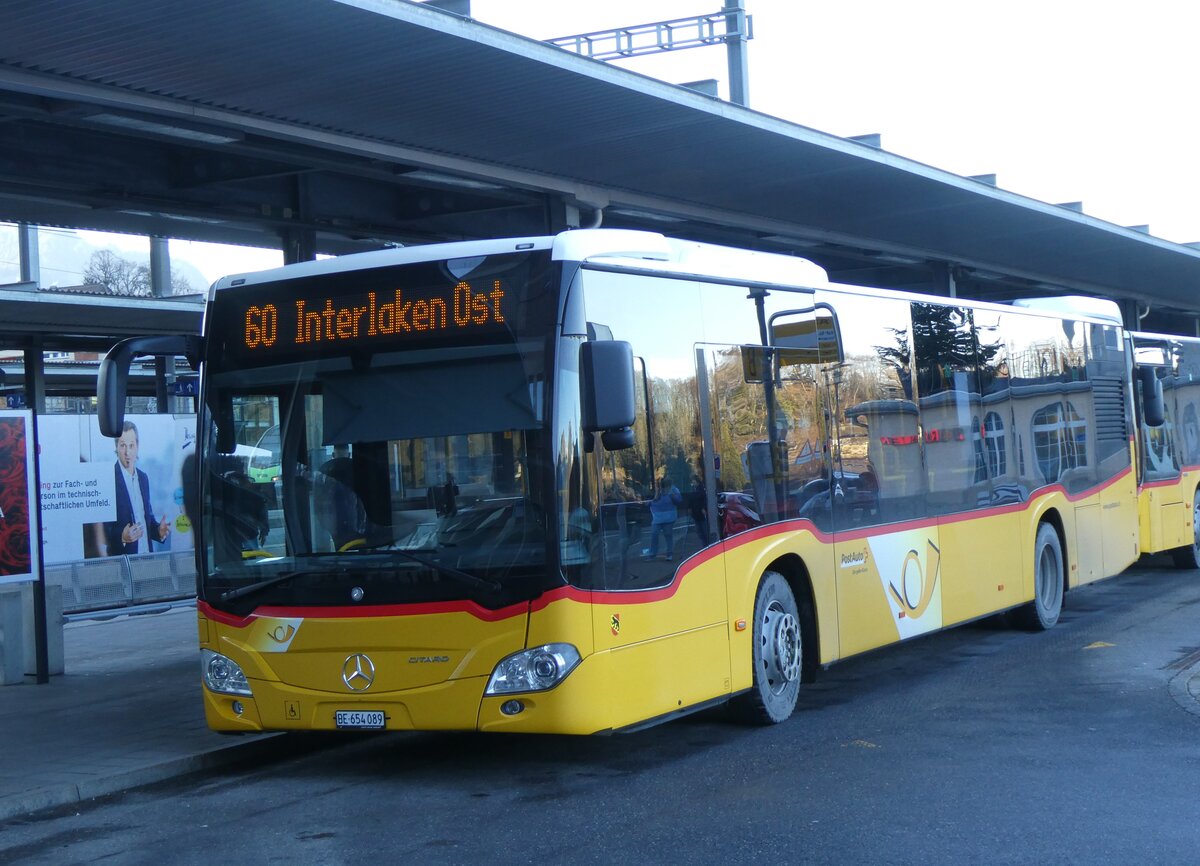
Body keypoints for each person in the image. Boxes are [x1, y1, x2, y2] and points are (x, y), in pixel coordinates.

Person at [105, 420, 170, 555]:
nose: (127, 452)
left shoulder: (143, 478)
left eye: (131, 445)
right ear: (116, 447)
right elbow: (103, 529)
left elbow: (147, 519)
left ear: (137, 447)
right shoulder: (108, 479)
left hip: (147, 559)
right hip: (123, 562)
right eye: (123, 445)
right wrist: (122, 537)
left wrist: (159, 531)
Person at [643, 476, 682, 561]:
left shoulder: (674, 489)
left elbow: (679, 501)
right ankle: (652, 555)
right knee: (654, 534)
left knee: (668, 535)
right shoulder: (655, 490)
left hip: (669, 517)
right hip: (657, 518)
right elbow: (651, 501)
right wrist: (655, 495)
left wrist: (671, 494)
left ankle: (669, 554)